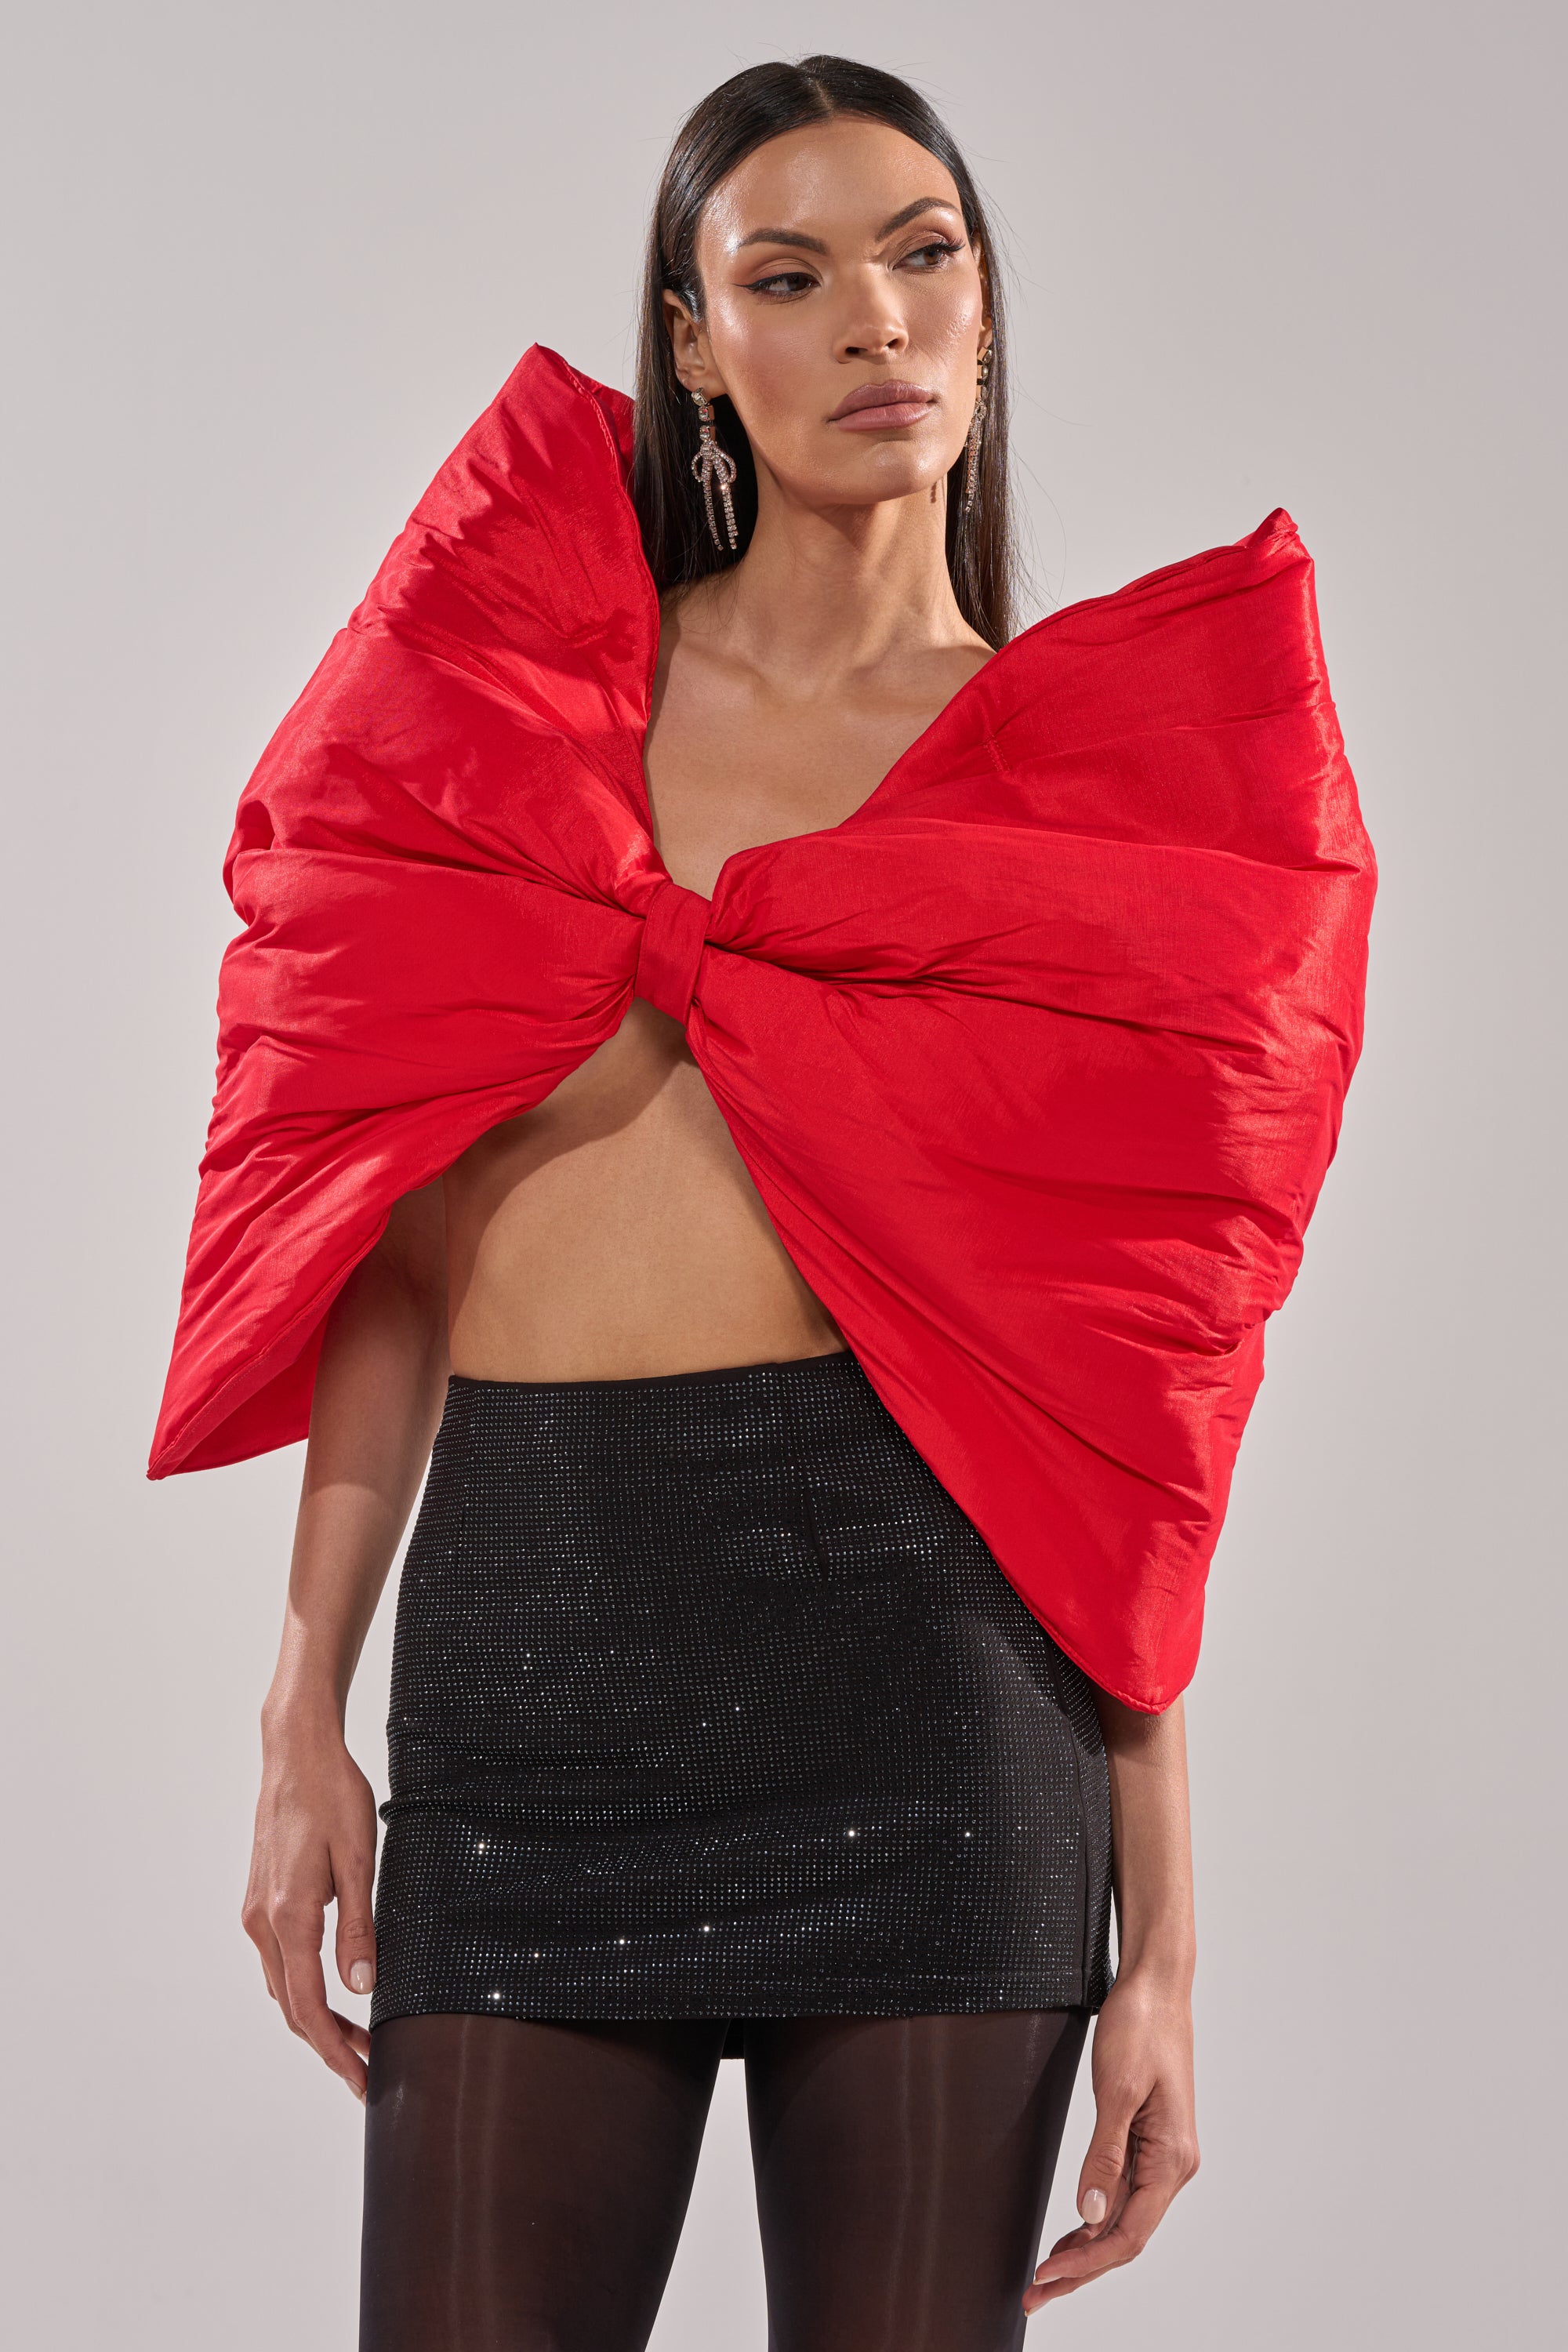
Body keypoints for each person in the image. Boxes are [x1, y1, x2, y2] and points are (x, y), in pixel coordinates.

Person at [153, 53, 1372, 2352]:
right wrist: (300, 1704)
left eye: (924, 257)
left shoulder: (1080, 799)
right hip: (532, 1696)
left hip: (938, 1704)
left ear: (987, 313)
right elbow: (394, 1264)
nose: (875, 323)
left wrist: (1169, 1950)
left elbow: (1128, 1417)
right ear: (694, 345)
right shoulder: (517, 713)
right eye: (789, 278)